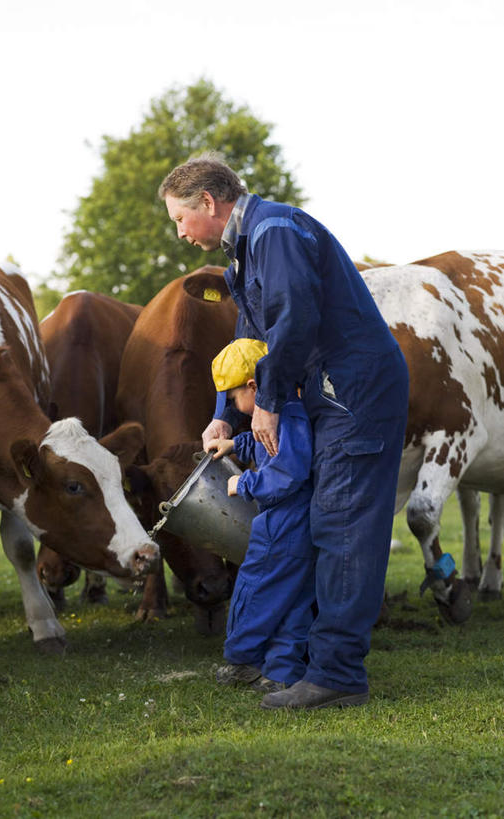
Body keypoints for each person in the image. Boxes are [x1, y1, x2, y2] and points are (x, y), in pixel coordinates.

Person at [159, 153, 409, 709]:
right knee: (321, 523)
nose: (179, 232)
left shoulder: (275, 231)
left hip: (353, 392)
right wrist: (226, 409)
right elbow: (246, 346)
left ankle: (338, 675)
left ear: (208, 202)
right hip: (324, 392)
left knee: (340, 526)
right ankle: (305, 662)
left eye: (180, 218)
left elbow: (294, 317)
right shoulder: (246, 256)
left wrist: (267, 403)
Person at [206, 337, 316, 694]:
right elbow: (267, 444)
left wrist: (246, 482)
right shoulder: (287, 410)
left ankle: (243, 661)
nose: (235, 408)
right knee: (293, 598)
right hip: (300, 521)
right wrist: (236, 444)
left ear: (253, 386)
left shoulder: (286, 415)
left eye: (235, 397)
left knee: (256, 589)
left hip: (283, 519)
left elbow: (289, 472)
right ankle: (282, 671)